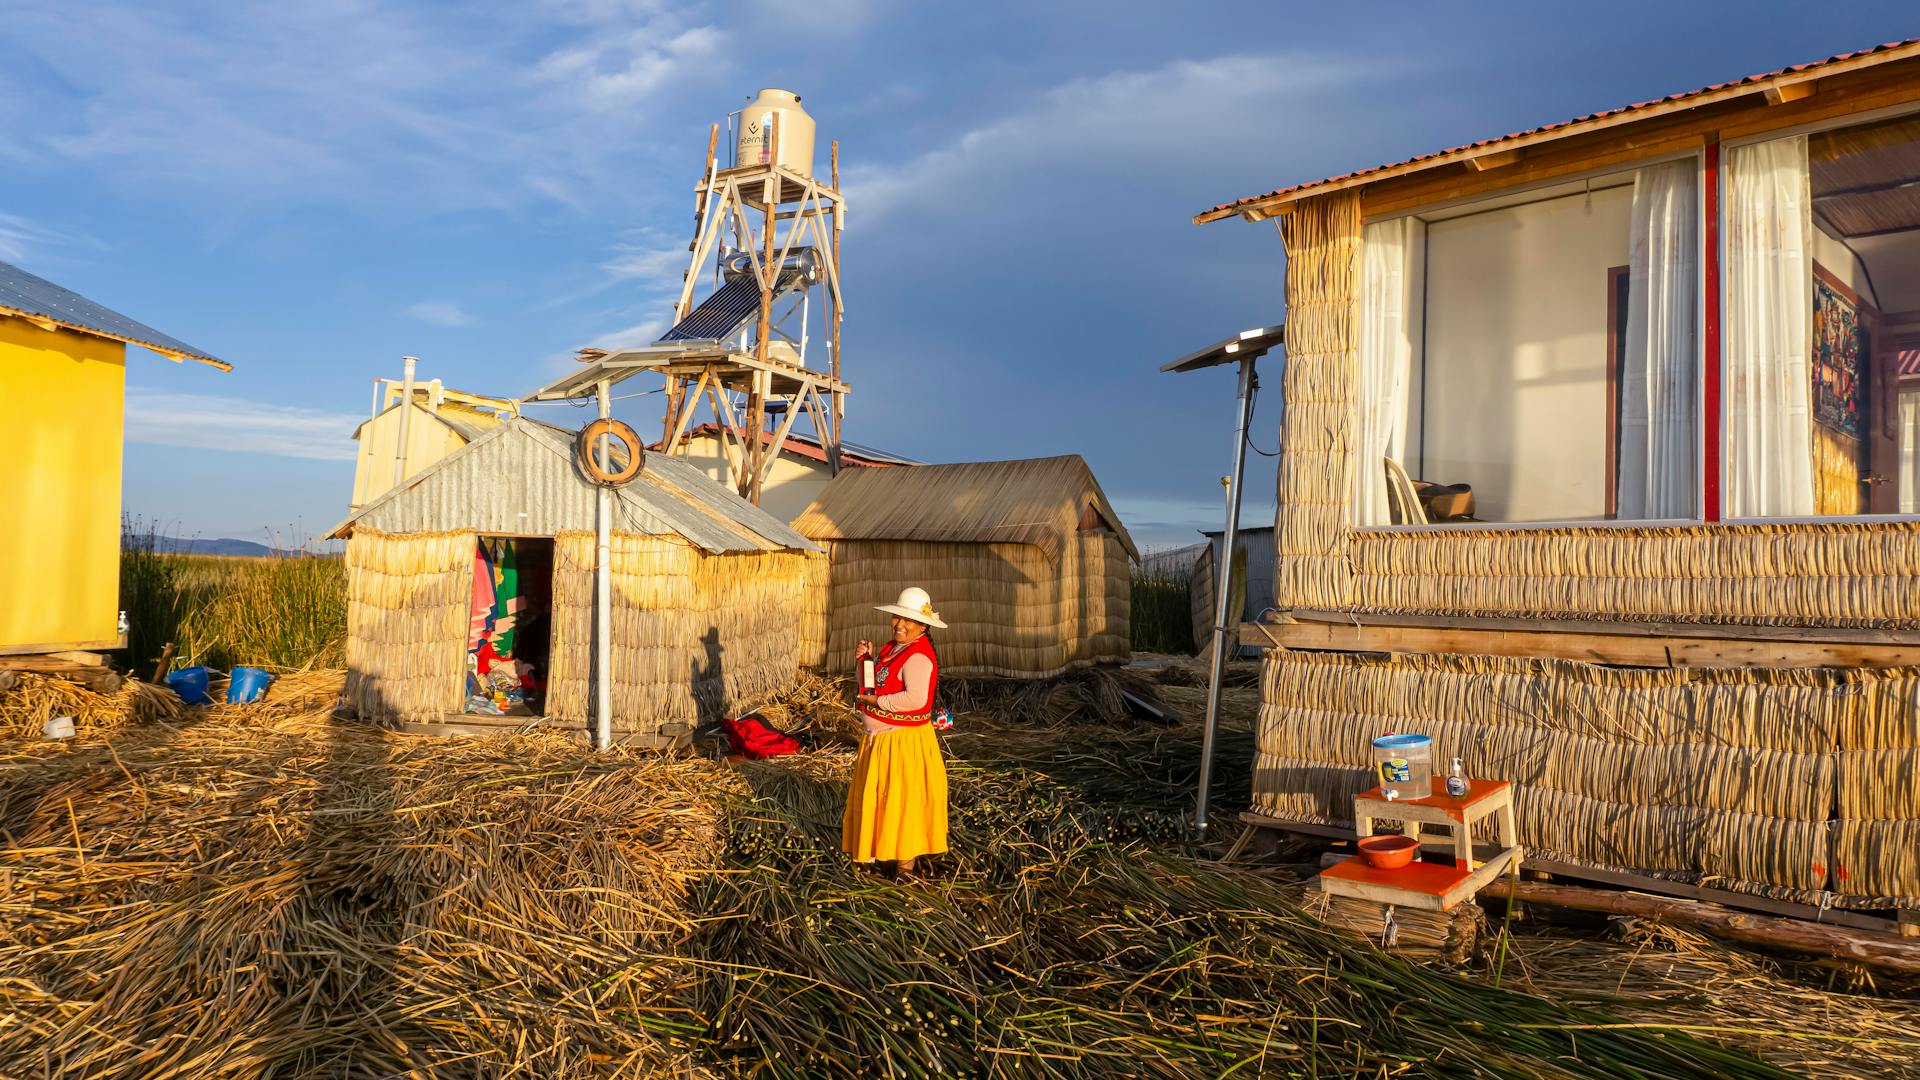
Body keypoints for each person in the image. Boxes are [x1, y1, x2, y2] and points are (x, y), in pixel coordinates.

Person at [843, 585, 949, 876]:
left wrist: (878, 701)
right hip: (882, 743)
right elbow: (870, 686)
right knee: (884, 802)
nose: (900, 624)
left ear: (923, 626)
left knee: (904, 804)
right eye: (897, 618)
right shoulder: (893, 648)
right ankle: (884, 855)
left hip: (903, 745)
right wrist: (864, 662)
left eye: (909, 621)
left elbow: (917, 699)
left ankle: (905, 871)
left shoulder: (918, 656)